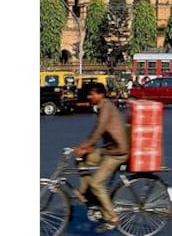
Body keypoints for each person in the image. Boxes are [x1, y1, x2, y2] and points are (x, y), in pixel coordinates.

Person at [73, 82, 129, 233]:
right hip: (107, 150)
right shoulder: (101, 107)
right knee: (83, 159)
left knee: (96, 183)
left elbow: (99, 129)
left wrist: (84, 146)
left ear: (101, 94)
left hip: (117, 152)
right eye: (89, 94)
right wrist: (85, 147)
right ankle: (88, 196)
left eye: (92, 94)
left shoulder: (106, 107)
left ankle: (112, 217)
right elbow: (95, 131)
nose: (90, 97)